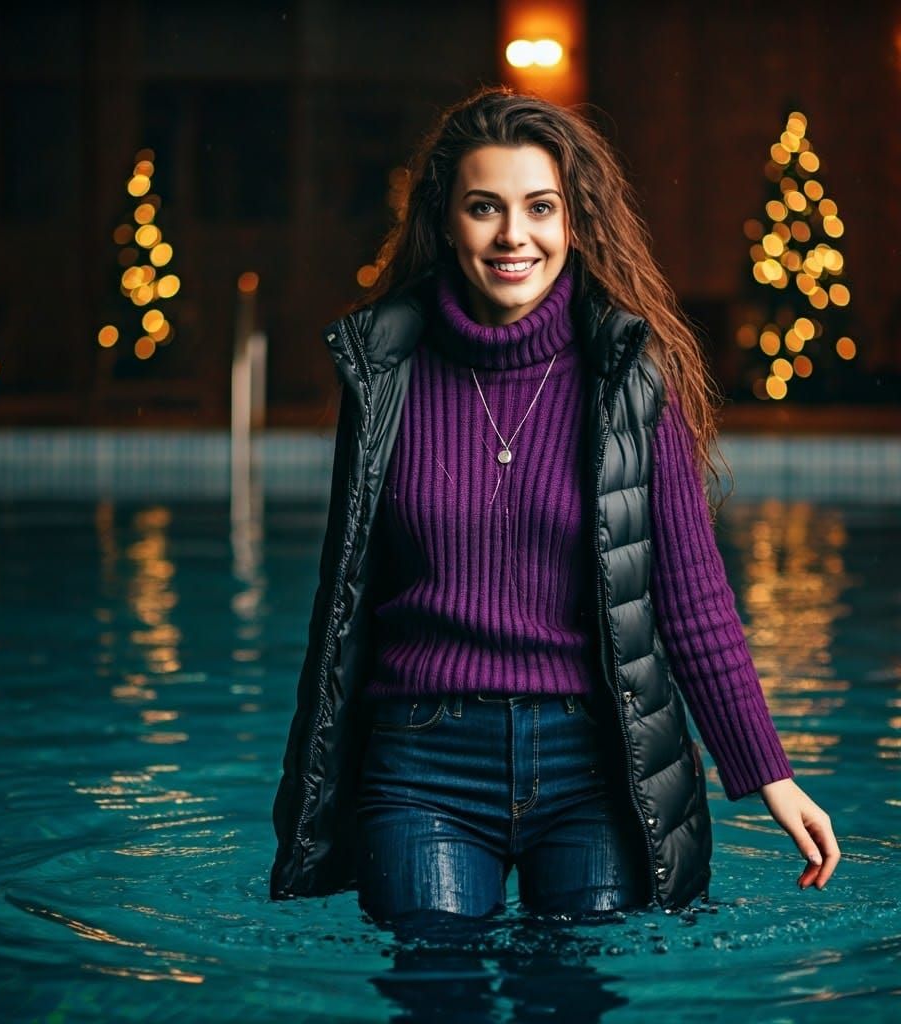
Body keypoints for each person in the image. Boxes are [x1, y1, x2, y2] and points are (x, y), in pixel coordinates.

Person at [269, 86, 840, 924]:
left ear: (575, 222)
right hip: (422, 763)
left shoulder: (631, 376)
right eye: (484, 207)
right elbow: (347, 601)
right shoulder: (385, 370)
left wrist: (770, 775)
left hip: (594, 769)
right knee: (436, 978)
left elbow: (690, 599)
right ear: (445, 220)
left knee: (571, 984)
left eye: (540, 207)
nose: (514, 235)